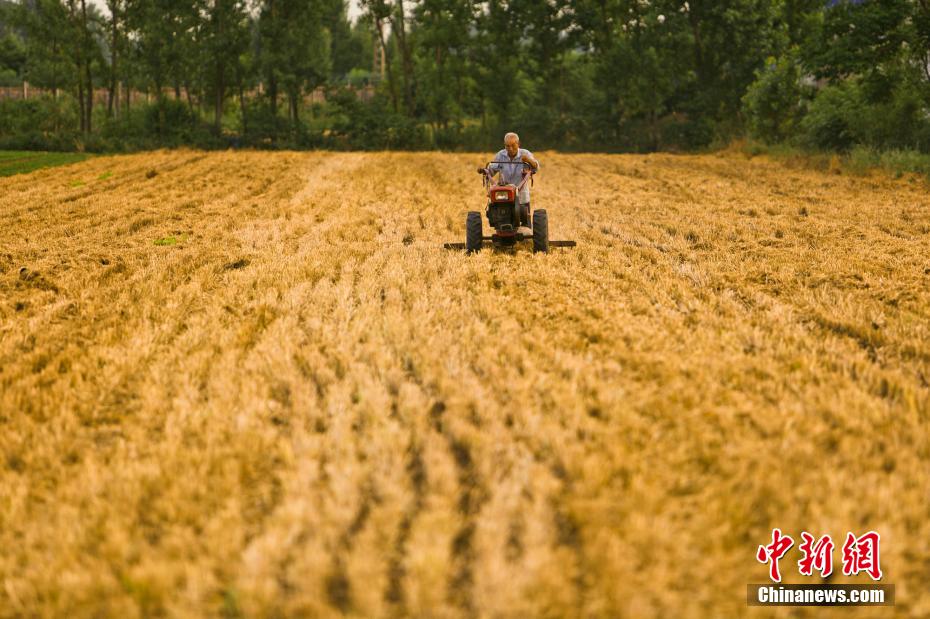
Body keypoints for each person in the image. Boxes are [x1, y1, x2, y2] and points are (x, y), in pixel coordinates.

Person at [481, 132, 540, 233]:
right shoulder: (500, 155)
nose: (510, 148)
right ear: (504, 145)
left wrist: (528, 160)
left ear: (518, 144)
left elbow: (536, 167)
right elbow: (492, 170)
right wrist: (485, 171)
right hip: (503, 196)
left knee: (526, 229)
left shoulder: (525, 153)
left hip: (521, 196)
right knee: (500, 222)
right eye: (507, 146)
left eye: (513, 145)